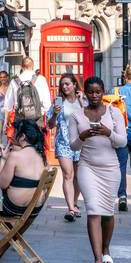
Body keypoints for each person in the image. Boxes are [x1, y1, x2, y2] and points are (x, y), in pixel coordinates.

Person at [68, 76, 127, 263]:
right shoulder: (77, 115)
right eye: (90, 92)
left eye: (98, 92)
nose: (94, 96)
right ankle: (97, 259)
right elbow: (73, 145)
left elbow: (122, 142)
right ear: (85, 93)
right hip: (87, 167)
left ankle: (106, 248)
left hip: (110, 168)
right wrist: (83, 136)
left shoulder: (114, 112)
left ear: (103, 92)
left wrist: (108, 132)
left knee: (107, 213)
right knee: (93, 209)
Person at [0, 118, 48, 254]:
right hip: (33, 208)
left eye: (15, 132)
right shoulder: (40, 156)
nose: (12, 135)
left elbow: (2, 184)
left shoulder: (16, 155)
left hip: (13, 208)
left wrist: (3, 159)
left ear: (22, 137)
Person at [46, 72, 82, 221]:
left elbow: (91, 118)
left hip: (81, 143)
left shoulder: (83, 101)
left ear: (74, 85)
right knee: (68, 174)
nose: (65, 86)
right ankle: (71, 208)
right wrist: (54, 114)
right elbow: (49, 125)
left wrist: (82, 102)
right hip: (63, 143)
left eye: (68, 84)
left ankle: (74, 203)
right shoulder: (58, 103)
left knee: (78, 177)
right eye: (62, 84)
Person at [5, 57, 51, 132]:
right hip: (38, 118)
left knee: (21, 141)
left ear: (21, 67)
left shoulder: (14, 81)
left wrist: (7, 120)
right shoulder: (41, 79)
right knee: (37, 142)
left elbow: (8, 104)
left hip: (20, 119)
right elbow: (47, 103)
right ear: (33, 66)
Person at [115, 65, 131, 212]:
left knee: (122, 166)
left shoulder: (119, 92)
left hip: (124, 133)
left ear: (125, 76)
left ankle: (122, 196)